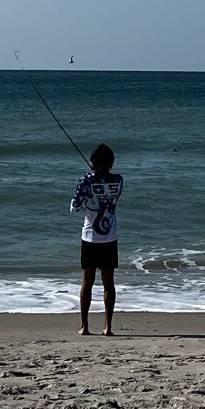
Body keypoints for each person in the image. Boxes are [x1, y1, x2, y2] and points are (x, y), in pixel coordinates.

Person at [70, 144, 123, 336]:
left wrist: (89, 186)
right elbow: (114, 198)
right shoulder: (118, 180)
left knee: (88, 281)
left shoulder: (86, 180)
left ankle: (85, 326)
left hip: (90, 237)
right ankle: (108, 326)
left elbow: (74, 207)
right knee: (109, 283)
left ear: (93, 162)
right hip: (110, 237)